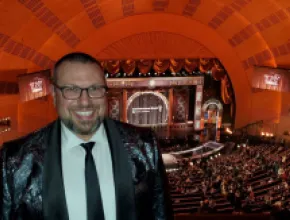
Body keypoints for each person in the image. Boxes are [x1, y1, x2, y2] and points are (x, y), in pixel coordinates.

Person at [0, 52, 173, 220]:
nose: (85, 101)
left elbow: (161, 213)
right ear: (54, 94)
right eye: (72, 89)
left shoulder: (145, 145)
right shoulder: (15, 160)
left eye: (95, 88)